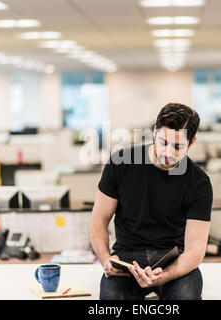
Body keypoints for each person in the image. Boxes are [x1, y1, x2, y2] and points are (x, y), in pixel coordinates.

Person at [89, 102, 213, 300]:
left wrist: (165, 276)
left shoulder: (198, 182)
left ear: (191, 143)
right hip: (126, 260)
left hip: (173, 261)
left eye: (178, 146)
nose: (167, 153)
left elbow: (196, 249)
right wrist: (105, 259)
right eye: (163, 142)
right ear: (155, 132)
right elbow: (98, 221)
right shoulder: (121, 162)